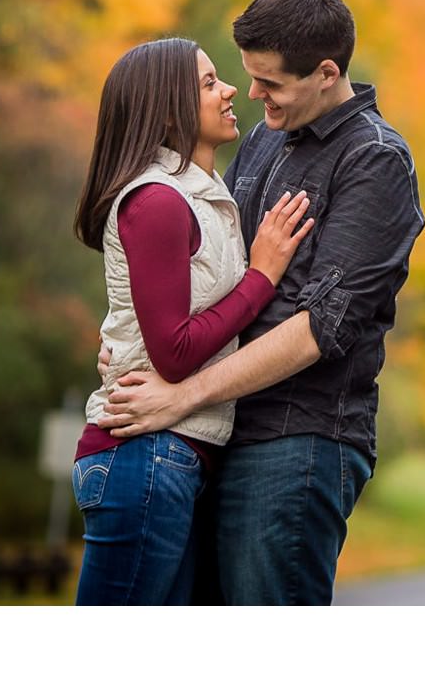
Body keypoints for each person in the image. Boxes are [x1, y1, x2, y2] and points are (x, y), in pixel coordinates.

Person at [98, 0, 425, 605]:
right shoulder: (263, 140)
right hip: (214, 431)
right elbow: (210, 278)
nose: (252, 95)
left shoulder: (375, 160)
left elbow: (320, 328)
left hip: (295, 443)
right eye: (249, 77)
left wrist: (179, 396)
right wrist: (131, 341)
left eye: (270, 83)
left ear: (327, 73)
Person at [69, 37, 316, 606]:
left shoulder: (200, 197)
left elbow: (156, 320)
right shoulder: (157, 200)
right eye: (209, 83)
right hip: (142, 459)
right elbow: (174, 352)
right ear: (168, 107)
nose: (231, 89)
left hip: (172, 461)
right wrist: (262, 276)